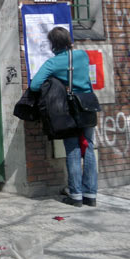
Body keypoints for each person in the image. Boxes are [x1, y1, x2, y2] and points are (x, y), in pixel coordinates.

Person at [30, 26, 97, 208]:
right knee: (89, 148)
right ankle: (90, 194)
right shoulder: (83, 56)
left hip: (69, 111)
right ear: (69, 40)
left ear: (53, 44)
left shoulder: (53, 63)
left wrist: (55, 82)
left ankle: (75, 194)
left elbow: (35, 85)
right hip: (88, 106)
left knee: (73, 150)